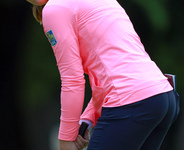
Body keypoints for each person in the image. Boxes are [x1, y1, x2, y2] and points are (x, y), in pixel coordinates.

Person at [26, 0, 180, 149]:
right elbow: (112, 75)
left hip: (133, 103)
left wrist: (66, 139)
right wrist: (87, 120)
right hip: (162, 98)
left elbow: (72, 80)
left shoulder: (54, 9)